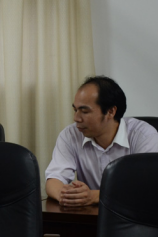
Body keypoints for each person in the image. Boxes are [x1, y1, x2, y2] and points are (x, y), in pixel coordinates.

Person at [45, 75, 158, 207]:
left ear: (110, 111)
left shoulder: (144, 136)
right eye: (75, 110)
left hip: (133, 214)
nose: (76, 118)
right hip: (88, 215)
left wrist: (94, 196)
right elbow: (54, 179)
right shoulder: (70, 135)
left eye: (84, 111)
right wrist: (67, 195)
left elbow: (145, 188)